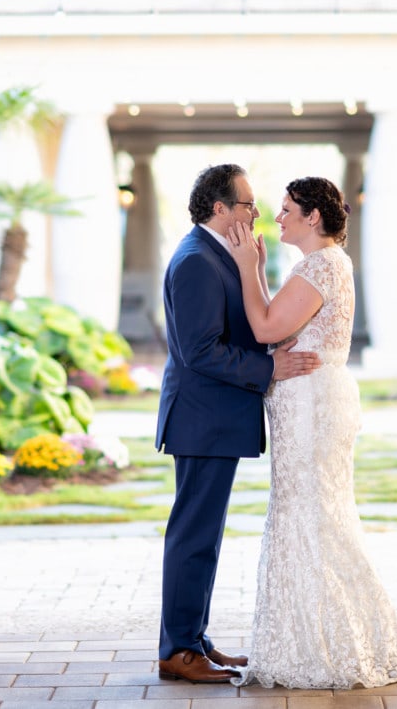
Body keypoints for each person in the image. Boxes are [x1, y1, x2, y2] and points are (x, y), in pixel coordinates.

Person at [222, 176, 397, 689]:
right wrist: (259, 274)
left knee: (310, 513)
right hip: (311, 397)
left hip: (310, 403)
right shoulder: (325, 265)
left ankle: (328, 648)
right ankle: (320, 640)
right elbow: (276, 323)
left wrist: (248, 267)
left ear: (313, 217)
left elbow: (265, 330)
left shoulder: (319, 265)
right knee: (312, 512)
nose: (278, 216)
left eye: (287, 209)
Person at [155, 164, 321, 684]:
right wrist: (270, 368)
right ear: (220, 208)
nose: (256, 213)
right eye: (248, 204)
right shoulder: (195, 262)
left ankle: (194, 639)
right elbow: (199, 351)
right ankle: (178, 651)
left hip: (214, 418)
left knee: (204, 535)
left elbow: (243, 324)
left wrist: (259, 277)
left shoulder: (219, 254)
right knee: (193, 536)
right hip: (202, 419)